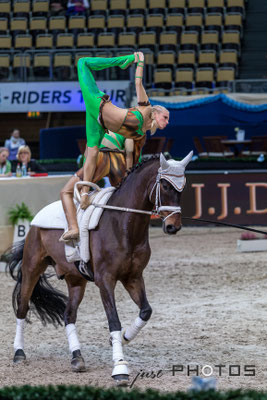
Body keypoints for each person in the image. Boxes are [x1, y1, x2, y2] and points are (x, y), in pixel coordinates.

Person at [60, 52, 169, 241]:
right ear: (156, 112)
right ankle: (122, 60)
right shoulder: (146, 107)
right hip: (100, 106)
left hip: (99, 123)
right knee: (83, 62)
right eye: (165, 117)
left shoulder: (141, 135)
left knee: (93, 153)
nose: (167, 121)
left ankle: (82, 201)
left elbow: (132, 154)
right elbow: (138, 83)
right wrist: (139, 61)